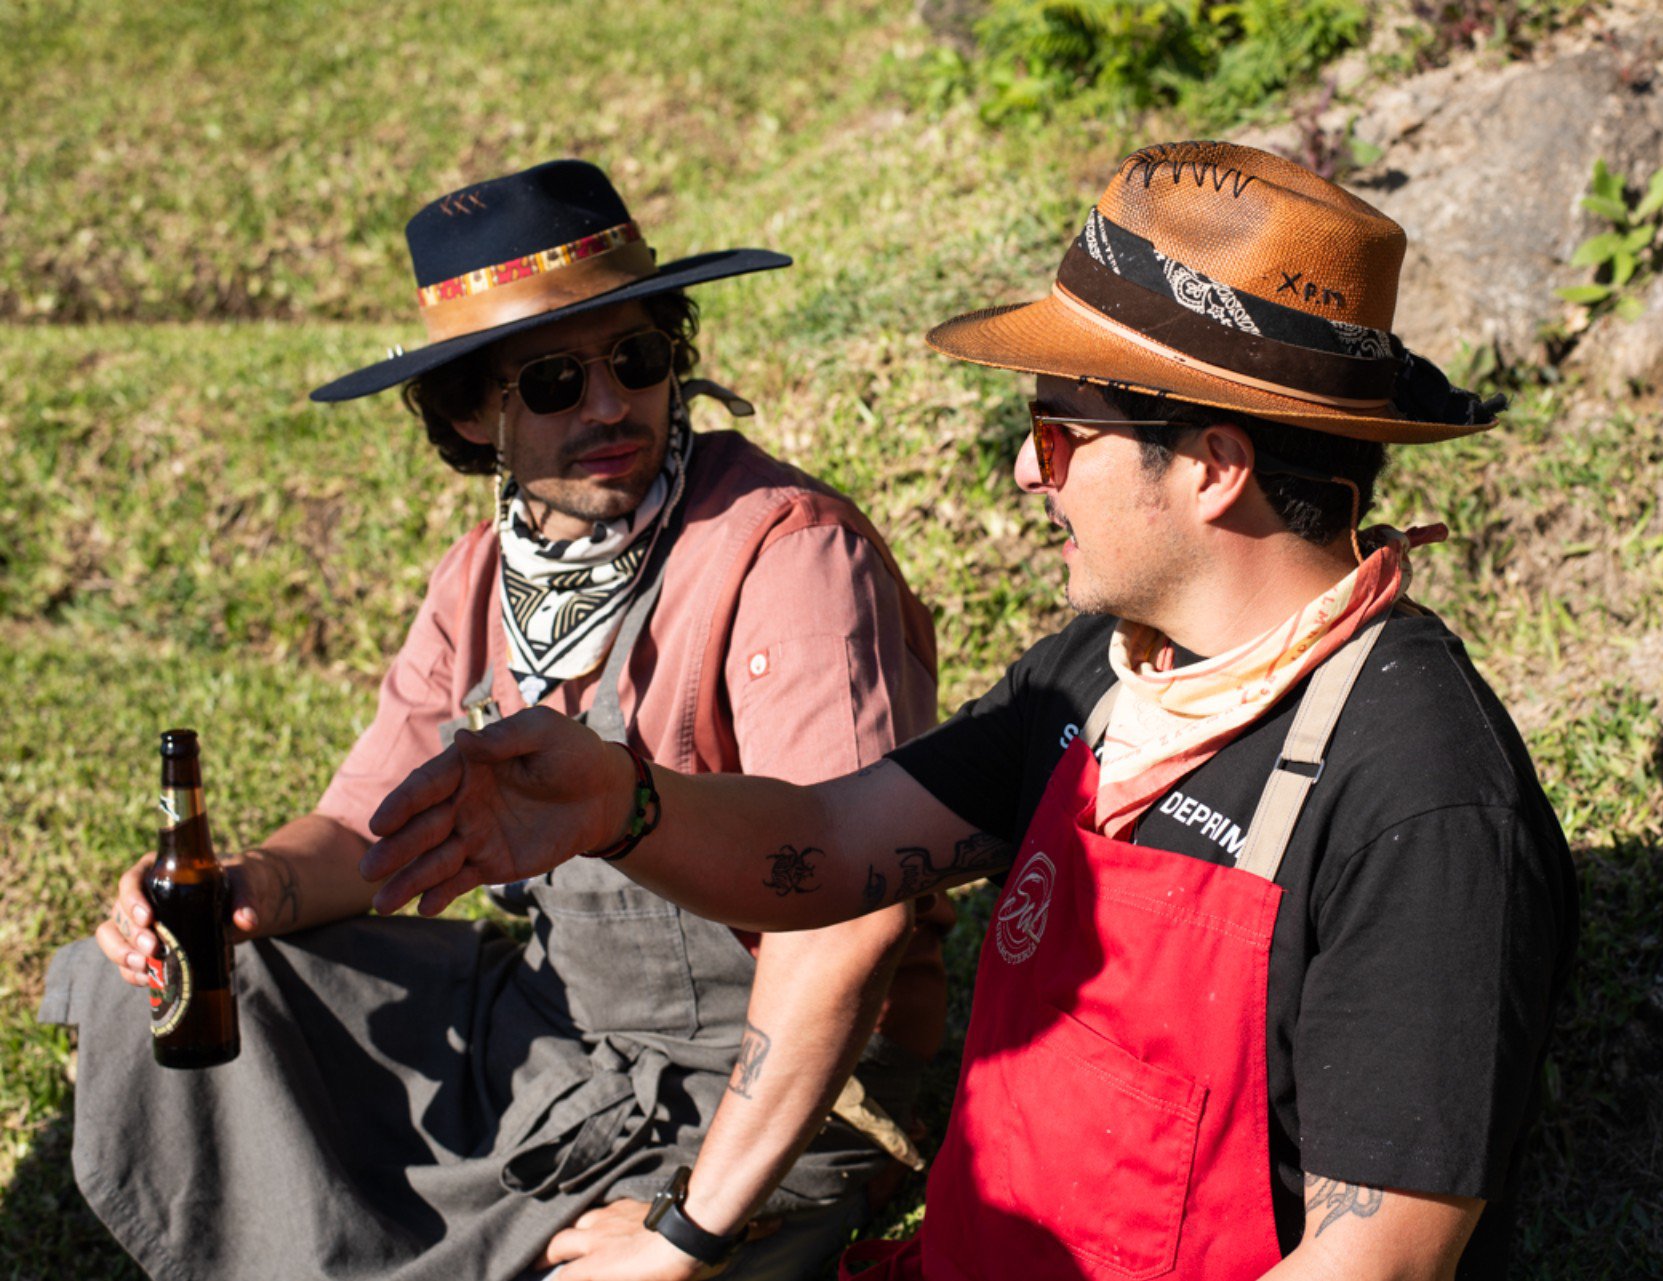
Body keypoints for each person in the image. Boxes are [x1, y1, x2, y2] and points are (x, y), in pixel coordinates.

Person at [361, 141, 1578, 1280]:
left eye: (1057, 435)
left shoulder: (1416, 790)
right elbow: (833, 850)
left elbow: (1379, 1259)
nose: (1022, 471)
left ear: (1212, 467)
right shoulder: (1098, 678)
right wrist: (621, 803)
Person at [39, 158, 953, 1281]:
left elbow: (849, 922)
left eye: (638, 359)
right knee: (169, 986)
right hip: (561, 1037)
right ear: (474, 413)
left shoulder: (786, 550)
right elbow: (364, 833)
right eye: (557, 382)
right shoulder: (482, 579)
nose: (612, 405)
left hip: (781, 1081)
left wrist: (687, 1231)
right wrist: (243, 892)